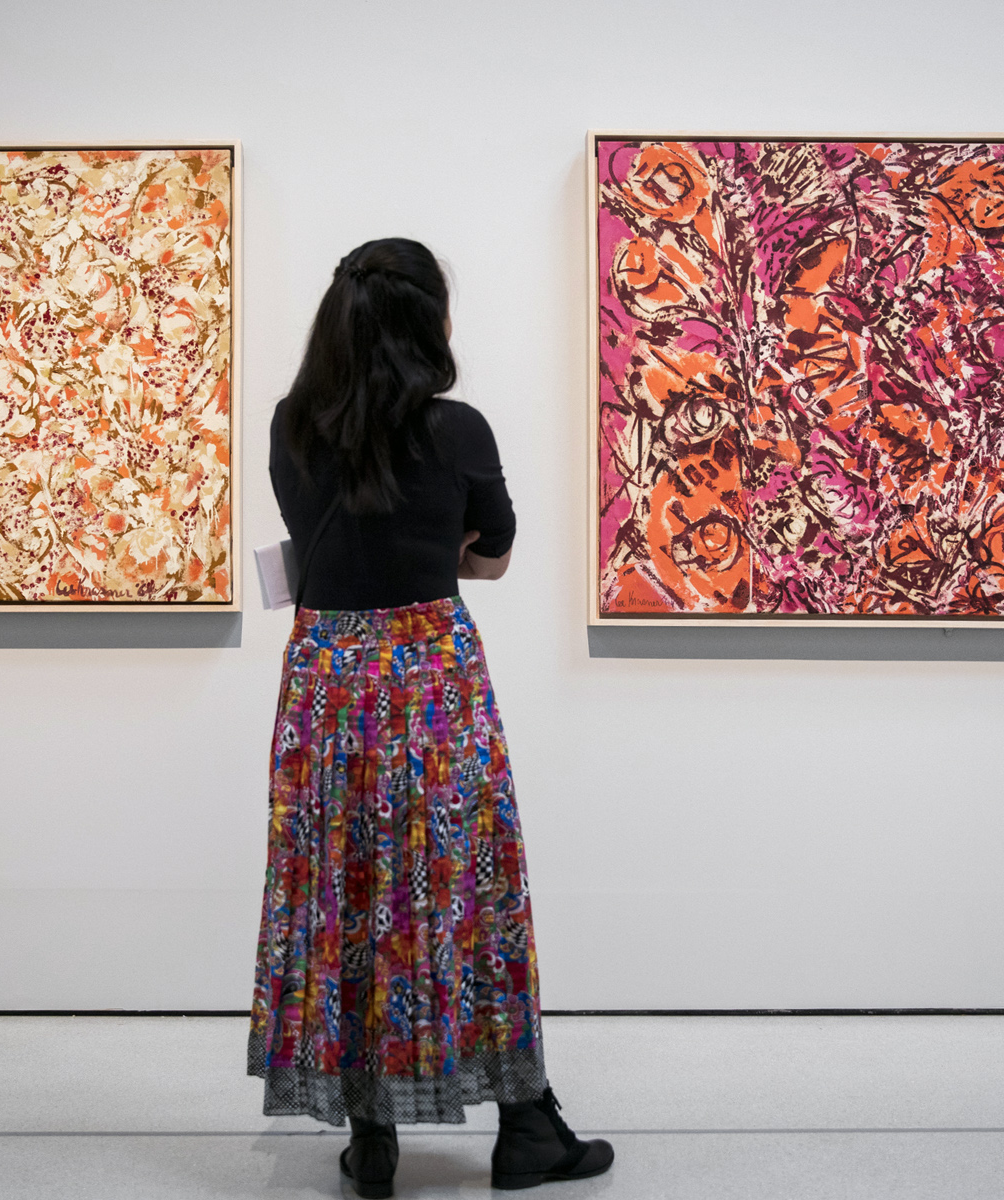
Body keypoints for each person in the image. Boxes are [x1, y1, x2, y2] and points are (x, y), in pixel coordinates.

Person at [247, 237, 614, 1197]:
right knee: (466, 883)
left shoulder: (291, 425)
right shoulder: (457, 431)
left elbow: (313, 545)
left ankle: (372, 1137)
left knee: (346, 888)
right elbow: (490, 557)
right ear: (427, 323)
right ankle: (527, 1125)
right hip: (428, 679)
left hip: (326, 679)